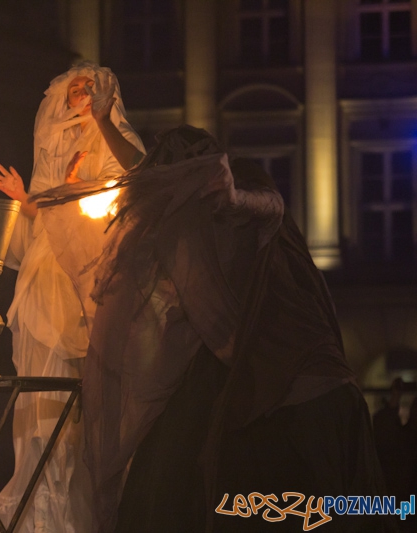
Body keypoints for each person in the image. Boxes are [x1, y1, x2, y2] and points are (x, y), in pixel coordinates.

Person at [72, 125, 393, 532]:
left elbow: (268, 205)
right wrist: (104, 122)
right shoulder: (194, 229)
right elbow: (160, 176)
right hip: (283, 398)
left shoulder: (241, 194)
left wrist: (235, 197)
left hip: (302, 401)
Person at [0, 62, 144, 532]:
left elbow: (131, 180)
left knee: (80, 395)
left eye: (90, 88)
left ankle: (78, 510)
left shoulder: (111, 139)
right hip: (44, 273)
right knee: (38, 383)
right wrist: (23, 198)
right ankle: (38, 505)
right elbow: (47, 215)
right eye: (75, 89)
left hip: (87, 273)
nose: (81, 94)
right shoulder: (53, 145)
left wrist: (76, 185)